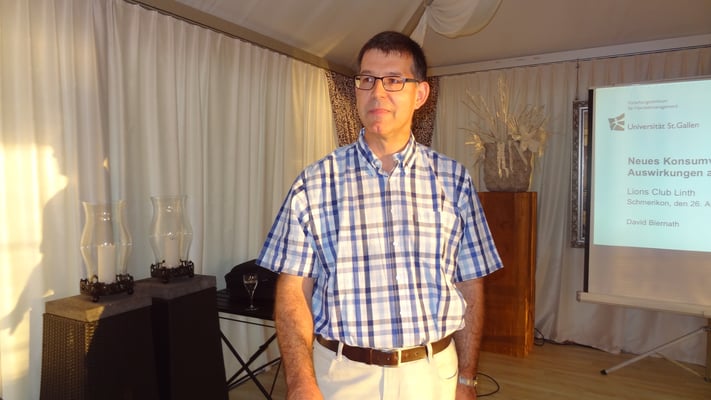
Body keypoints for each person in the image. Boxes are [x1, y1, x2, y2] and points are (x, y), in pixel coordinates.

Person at [257, 31, 502, 400]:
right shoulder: (315, 183)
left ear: (420, 94)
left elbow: (470, 285)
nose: (378, 92)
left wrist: (467, 379)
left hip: (433, 376)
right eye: (367, 79)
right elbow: (293, 292)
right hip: (342, 377)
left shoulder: (454, 182)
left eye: (394, 80)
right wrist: (300, 381)